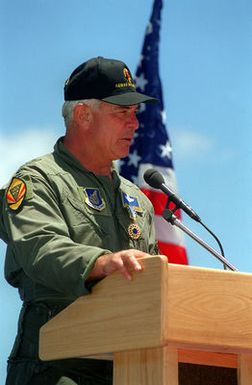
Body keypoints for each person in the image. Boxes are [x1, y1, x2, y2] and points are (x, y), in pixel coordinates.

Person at [0, 56, 159, 385]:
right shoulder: (38, 180)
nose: (134, 124)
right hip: (57, 365)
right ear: (83, 115)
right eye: (121, 113)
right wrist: (103, 263)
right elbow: (41, 248)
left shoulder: (139, 201)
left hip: (132, 363)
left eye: (134, 114)